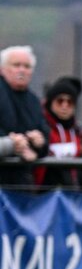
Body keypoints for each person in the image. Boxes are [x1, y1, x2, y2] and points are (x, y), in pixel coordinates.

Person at [0, 45, 50, 187]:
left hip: (22, 182)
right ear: (2, 69)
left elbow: (44, 132)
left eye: (27, 66)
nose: (22, 70)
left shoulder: (34, 101)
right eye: (16, 65)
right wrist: (13, 145)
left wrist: (39, 143)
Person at [34, 76, 82, 188]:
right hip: (42, 189)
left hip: (70, 190)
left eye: (70, 102)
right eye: (60, 101)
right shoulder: (41, 126)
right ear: (51, 102)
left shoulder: (76, 131)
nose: (64, 106)